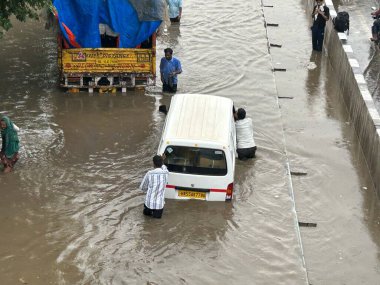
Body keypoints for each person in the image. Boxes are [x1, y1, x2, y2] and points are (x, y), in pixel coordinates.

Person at [140, 155, 169, 219]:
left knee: (146, 219)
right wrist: (162, 161)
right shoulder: (166, 173)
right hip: (159, 205)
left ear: (153, 163)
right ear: (162, 163)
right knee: (156, 222)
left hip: (149, 203)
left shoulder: (149, 173)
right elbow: (164, 167)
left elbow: (142, 187)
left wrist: (149, 190)